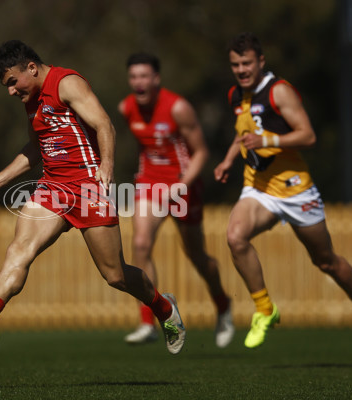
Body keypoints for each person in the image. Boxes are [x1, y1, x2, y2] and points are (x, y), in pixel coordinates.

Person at [0, 40, 186, 354]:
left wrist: (108, 166)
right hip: (53, 188)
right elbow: (35, 147)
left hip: (89, 187)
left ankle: (164, 308)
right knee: (19, 249)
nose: (10, 91)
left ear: (31, 68)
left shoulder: (67, 83)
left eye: (12, 82)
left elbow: (105, 125)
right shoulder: (30, 98)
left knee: (115, 275)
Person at [214, 32, 352, 353]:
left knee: (326, 262)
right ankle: (265, 309)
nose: (241, 69)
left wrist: (267, 142)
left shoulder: (279, 92)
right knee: (235, 237)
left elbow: (308, 136)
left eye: (247, 63)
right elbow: (243, 134)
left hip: (296, 190)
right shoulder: (236, 95)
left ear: (260, 61)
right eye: (235, 64)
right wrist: (226, 161)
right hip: (259, 187)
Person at [118, 53, 234, 348]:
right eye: (134, 77)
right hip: (149, 184)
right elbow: (145, 146)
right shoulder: (126, 108)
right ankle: (149, 321)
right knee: (141, 244)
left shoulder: (178, 108)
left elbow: (202, 153)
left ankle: (222, 305)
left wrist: (181, 186)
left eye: (144, 76)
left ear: (156, 79)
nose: (139, 83)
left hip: (183, 186)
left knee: (196, 256)